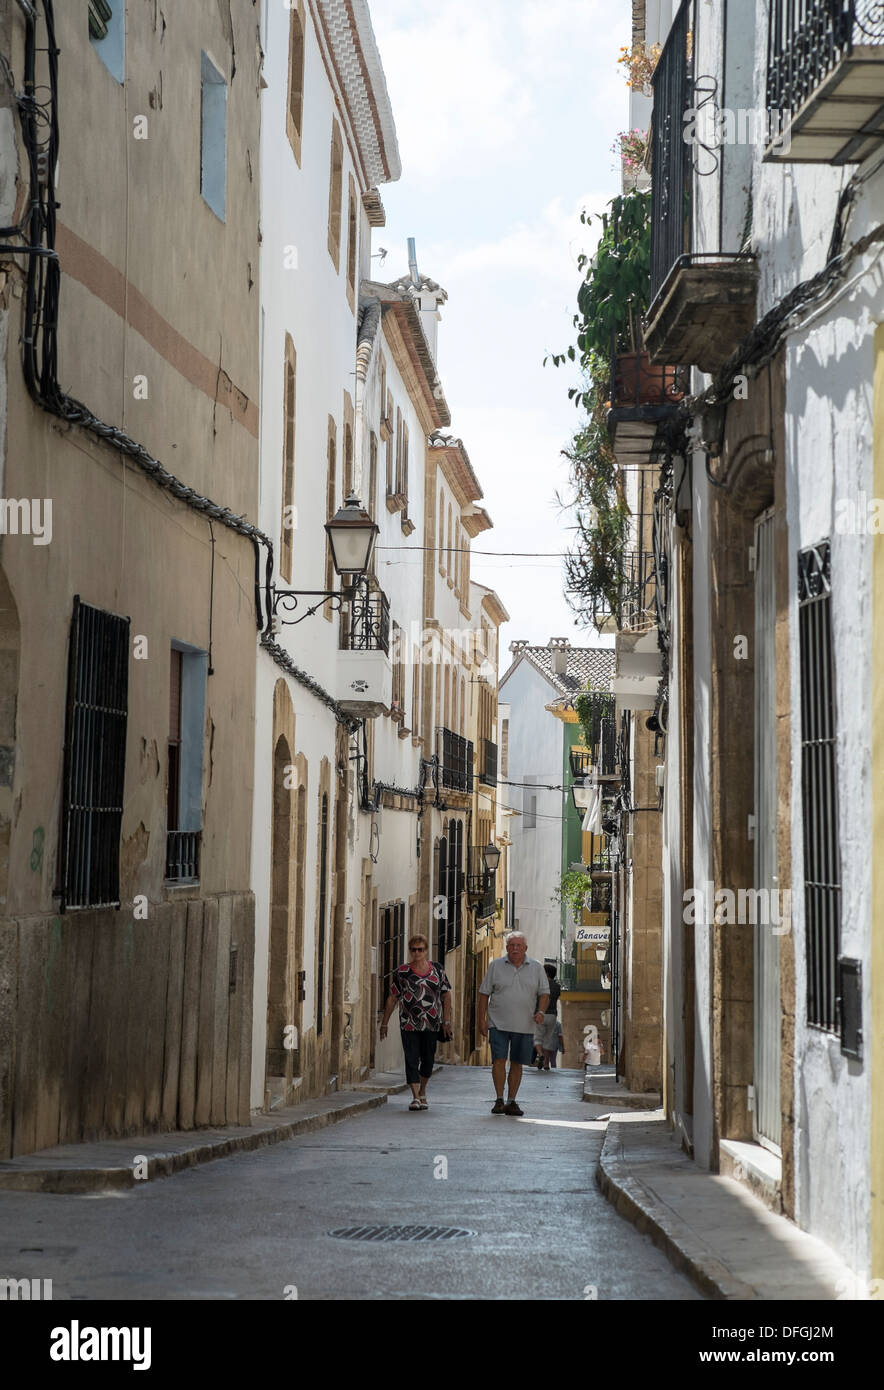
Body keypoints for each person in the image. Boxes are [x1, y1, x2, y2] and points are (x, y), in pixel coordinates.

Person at [477, 932, 549, 1116]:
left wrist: (541, 1012)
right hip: (497, 1023)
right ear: (507, 947)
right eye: (511, 945)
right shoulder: (496, 966)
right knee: (498, 1061)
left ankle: (512, 1101)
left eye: (519, 945)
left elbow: (544, 993)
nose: (515, 948)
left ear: (525, 948)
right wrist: (482, 1020)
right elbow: (484, 994)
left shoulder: (537, 968)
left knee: (517, 1063)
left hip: (524, 1025)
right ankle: (499, 1099)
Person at [379, 935, 452, 1111]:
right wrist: (384, 1023)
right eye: (413, 949)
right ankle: (415, 1096)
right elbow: (392, 997)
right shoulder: (402, 972)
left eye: (420, 949)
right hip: (409, 1023)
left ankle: (423, 1090)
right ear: (410, 951)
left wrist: (446, 1021)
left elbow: (446, 994)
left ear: (426, 951)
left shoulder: (437, 970)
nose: (417, 953)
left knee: (428, 1059)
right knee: (411, 1058)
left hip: (432, 1024)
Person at [532, 962, 561, 1071]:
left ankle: (540, 1054)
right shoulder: (557, 987)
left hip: (541, 1013)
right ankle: (546, 1064)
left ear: (546, 973)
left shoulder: (540, 985)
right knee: (548, 1038)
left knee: (538, 1037)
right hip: (552, 1015)